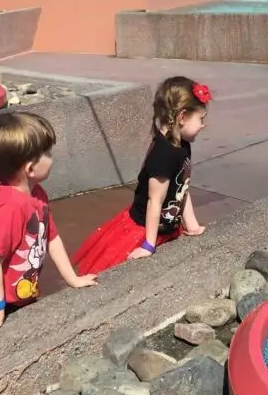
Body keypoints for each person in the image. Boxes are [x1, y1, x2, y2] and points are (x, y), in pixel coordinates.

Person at [0, 111, 97, 335]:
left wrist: (73, 279)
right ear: (29, 168)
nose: (52, 157)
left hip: (22, 290)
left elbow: (52, 238)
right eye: (47, 153)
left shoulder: (37, 194)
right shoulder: (10, 208)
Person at [72, 76, 211, 276]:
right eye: (201, 119)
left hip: (165, 227)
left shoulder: (182, 145)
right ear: (182, 117)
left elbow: (182, 188)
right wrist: (148, 245)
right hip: (143, 230)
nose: (203, 125)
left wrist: (192, 225)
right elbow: (155, 201)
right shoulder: (164, 154)